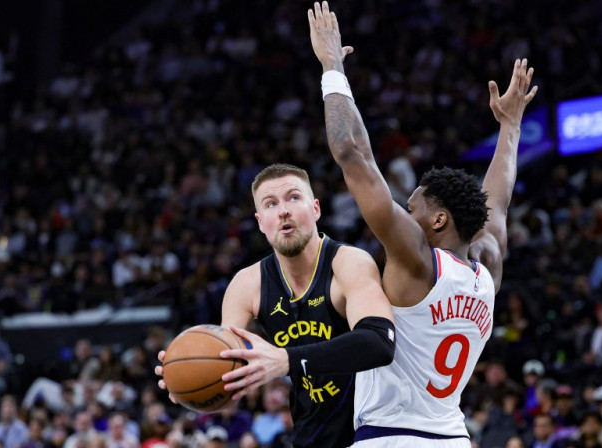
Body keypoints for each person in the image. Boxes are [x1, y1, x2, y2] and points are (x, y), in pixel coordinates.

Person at [307, 2, 536, 445]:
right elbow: (499, 204)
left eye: (411, 208)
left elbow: (352, 153)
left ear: (438, 219)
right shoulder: (486, 267)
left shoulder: (416, 260)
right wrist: (509, 127)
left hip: (391, 436)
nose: (404, 216)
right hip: (452, 436)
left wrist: (332, 66)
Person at [157, 163, 396, 448]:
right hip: (310, 434)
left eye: (294, 198)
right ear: (260, 222)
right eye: (270, 204)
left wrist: (286, 360)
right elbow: (227, 366)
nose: (283, 210)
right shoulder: (247, 285)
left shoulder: (348, 263)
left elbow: (380, 343)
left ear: (316, 209)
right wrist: (186, 380)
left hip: (374, 431)